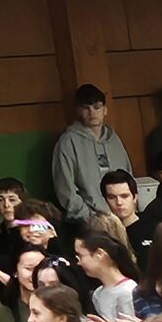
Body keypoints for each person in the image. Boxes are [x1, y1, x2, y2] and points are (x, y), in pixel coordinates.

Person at [52, 85, 133, 222]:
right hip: (89, 221)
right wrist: (89, 217)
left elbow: (128, 178)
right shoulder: (68, 142)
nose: (92, 113)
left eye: (97, 107)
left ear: (105, 110)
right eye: (86, 108)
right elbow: (65, 189)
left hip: (123, 217)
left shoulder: (114, 139)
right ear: (78, 110)